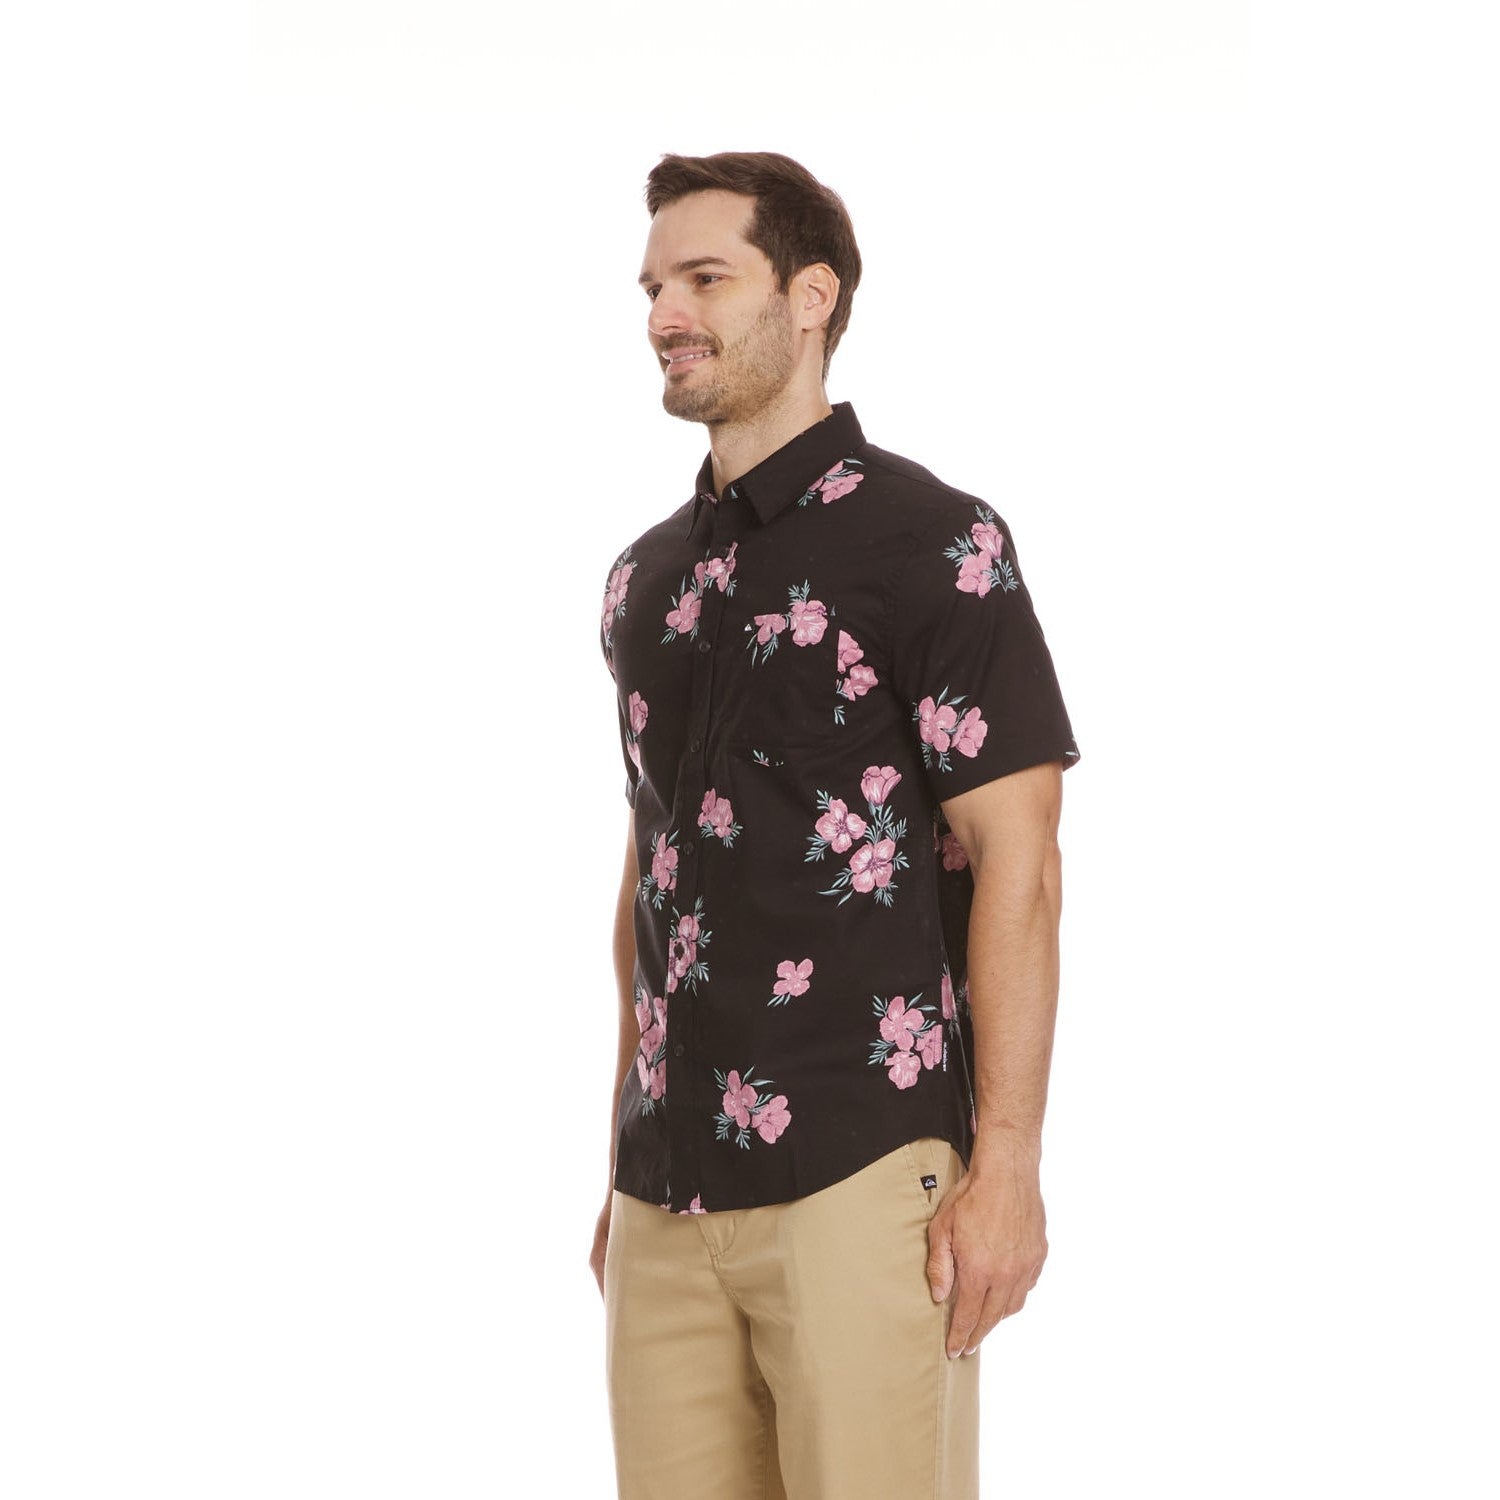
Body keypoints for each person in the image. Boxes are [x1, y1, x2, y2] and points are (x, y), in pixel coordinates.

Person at [592, 151, 1081, 1500]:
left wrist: (1008, 1164)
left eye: (704, 279)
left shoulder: (934, 543)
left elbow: (1023, 865)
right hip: (663, 1188)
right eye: (652, 287)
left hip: (860, 1173)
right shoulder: (644, 581)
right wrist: (619, 1157)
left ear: (811, 297)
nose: (664, 314)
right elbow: (654, 871)